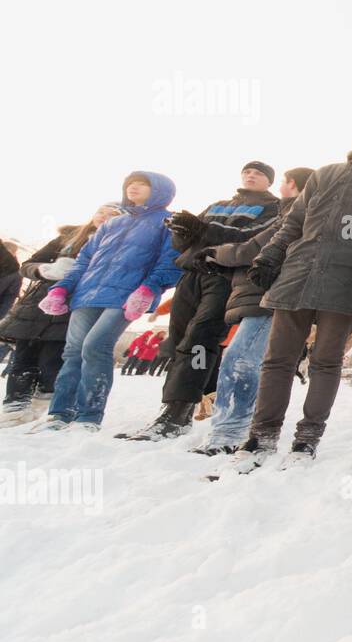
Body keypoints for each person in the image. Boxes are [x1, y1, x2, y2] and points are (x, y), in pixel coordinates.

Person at [228, 123, 352, 470]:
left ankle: (307, 437)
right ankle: (262, 434)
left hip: (347, 279)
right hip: (298, 273)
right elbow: (293, 223)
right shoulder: (325, 173)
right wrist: (270, 256)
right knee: (277, 359)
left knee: (326, 360)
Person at [119, 161, 281, 441]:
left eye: (258, 173)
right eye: (247, 171)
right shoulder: (218, 204)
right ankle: (172, 407)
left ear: (269, 181)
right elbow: (183, 244)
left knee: (200, 338)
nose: (251, 175)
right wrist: (182, 230)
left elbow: (250, 239)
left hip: (225, 275)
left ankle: (178, 412)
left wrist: (202, 230)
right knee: (180, 340)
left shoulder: (272, 208)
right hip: (192, 272)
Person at [29, 172, 182, 433]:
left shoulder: (167, 222)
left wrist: (149, 289)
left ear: (159, 190)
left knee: (95, 346)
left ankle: (88, 416)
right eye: (130, 183)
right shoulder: (112, 225)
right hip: (88, 294)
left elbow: (171, 261)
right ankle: (59, 414)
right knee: (73, 351)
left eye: (143, 184)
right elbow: (84, 261)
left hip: (127, 295)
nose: (134, 187)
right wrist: (61, 288)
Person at [192, 167, 314, 455]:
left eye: (283, 181)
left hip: (272, 294)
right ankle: (231, 429)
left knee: (241, 360)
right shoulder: (288, 211)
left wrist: (215, 253)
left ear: (292, 184)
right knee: (246, 359)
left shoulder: (297, 213)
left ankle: (230, 434)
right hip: (263, 293)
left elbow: (255, 247)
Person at [0, 205, 123, 428]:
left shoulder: (118, 244)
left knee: (52, 359)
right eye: (101, 212)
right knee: (23, 356)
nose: (104, 217)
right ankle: (15, 406)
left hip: (75, 306)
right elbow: (28, 265)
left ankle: (45, 400)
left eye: (112, 215)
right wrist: (46, 270)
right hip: (38, 304)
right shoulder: (68, 237)